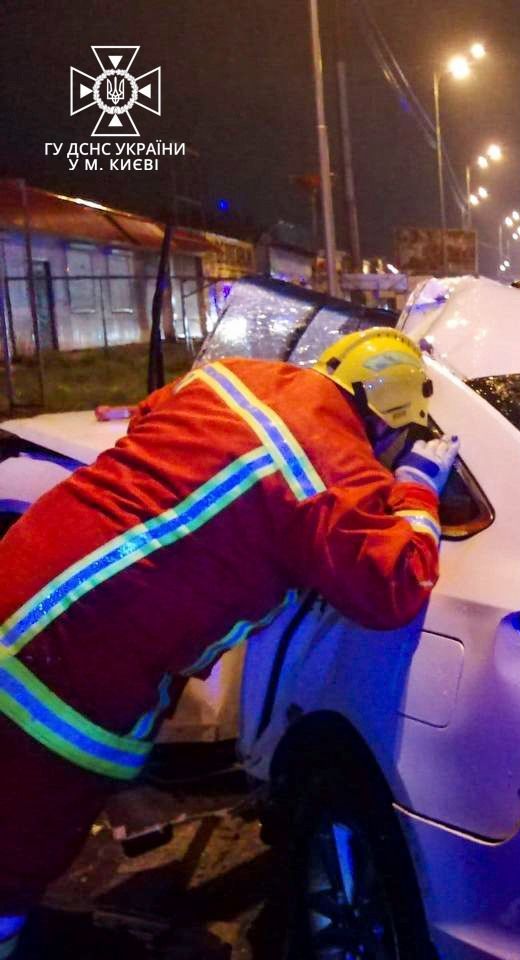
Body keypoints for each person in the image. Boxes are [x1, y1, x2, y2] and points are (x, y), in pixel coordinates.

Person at [0, 327, 459, 957]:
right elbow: (392, 584)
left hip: (17, 575)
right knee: (13, 858)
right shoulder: (334, 465)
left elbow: (149, 417)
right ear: (387, 425)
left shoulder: (231, 377)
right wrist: (418, 489)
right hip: (69, 672)